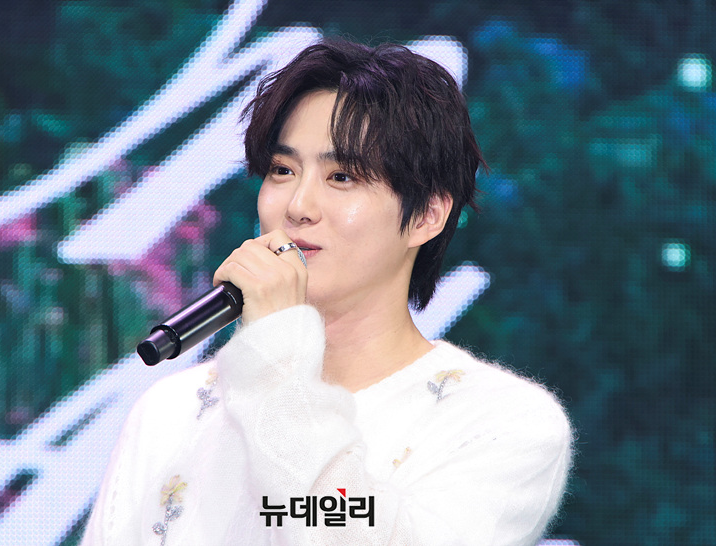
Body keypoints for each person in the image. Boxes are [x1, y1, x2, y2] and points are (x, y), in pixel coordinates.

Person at [81, 39, 573, 545]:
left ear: (427, 215)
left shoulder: (501, 423)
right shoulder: (172, 411)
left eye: (341, 176)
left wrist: (276, 354)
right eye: (283, 171)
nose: (298, 206)